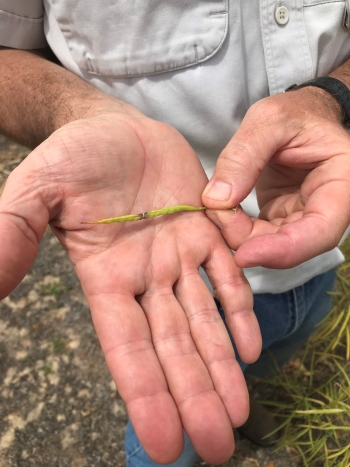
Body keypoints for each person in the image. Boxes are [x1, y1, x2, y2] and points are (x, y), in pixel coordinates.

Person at [0, 1, 350, 466]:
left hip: (319, 246)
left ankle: (244, 395)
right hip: (178, 282)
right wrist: (79, 112)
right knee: (170, 431)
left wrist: (332, 96)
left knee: (270, 350)